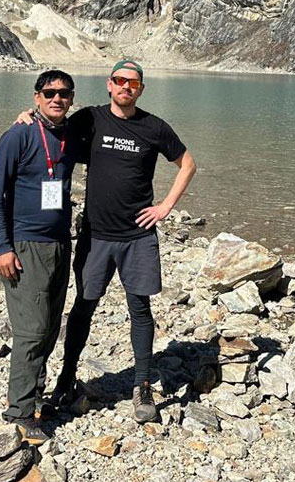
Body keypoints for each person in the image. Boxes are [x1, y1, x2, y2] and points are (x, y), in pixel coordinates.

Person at [19, 58, 197, 423]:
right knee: (84, 306)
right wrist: (27, 116)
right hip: (95, 235)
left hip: (137, 236)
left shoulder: (153, 127)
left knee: (140, 309)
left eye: (133, 82)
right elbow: (54, 127)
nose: (126, 87)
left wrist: (164, 207)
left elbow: (188, 164)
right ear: (109, 84)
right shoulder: (92, 118)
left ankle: (142, 383)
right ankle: (67, 378)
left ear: (140, 89)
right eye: (119, 80)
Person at [0, 69, 81, 444]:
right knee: (30, 331)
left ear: (71, 98)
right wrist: (2, 247)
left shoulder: (71, 134)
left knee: (49, 327)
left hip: (60, 243)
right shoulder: (19, 135)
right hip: (25, 245)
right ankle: (20, 412)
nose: (56, 98)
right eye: (49, 92)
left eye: (64, 93)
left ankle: (34, 399)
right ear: (37, 96)